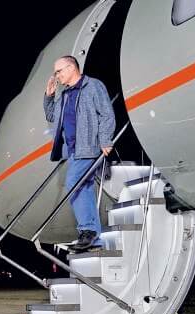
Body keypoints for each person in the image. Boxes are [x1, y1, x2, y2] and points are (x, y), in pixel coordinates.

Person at [43, 55, 115, 251]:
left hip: (89, 146)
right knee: (83, 187)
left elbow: (107, 113)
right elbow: (51, 116)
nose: (56, 76)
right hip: (74, 150)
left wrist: (106, 140)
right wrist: (49, 96)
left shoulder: (92, 86)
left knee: (74, 182)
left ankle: (88, 230)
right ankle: (95, 237)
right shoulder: (64, 94)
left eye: (58, 71)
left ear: (71, 67)